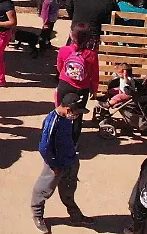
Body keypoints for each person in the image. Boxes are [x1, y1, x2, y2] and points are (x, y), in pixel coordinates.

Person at [30, 92, 93, 233]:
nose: (77, 116)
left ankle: (75, 216)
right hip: (56, 165)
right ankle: (37, 215)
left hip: (70, 161)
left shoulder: (67, 118)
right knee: (43, 189)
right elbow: (44, 148)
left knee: (68, 190)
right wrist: (54, 166)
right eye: (76, 112)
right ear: (68, 109)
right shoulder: (52, 122)